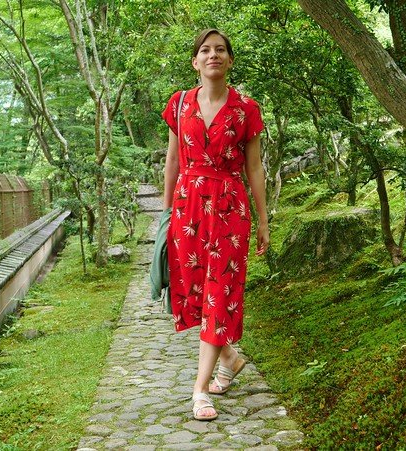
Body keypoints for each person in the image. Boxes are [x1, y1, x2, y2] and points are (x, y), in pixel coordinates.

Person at [160, 28, 269, 421]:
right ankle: (229, 359)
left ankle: (199, 389)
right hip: (187, 207)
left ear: (230, 60)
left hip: (229, 208)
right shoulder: (179, 105)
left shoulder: (246, 109)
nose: (213, 55)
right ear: (195, 61)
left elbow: (254, 168)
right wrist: (166, 210)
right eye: (206, 50)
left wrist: (263, 220)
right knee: (190, 291)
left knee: (217, 294)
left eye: (220, 50)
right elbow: (172, 161)